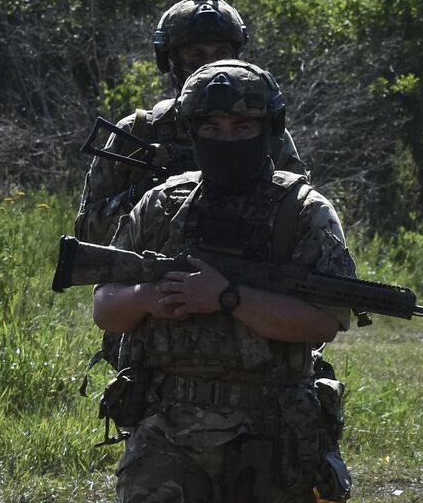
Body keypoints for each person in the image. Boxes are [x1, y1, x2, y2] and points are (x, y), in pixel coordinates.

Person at [92, 60, 356, 502]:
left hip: (271, 431)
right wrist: (151, 297)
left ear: (268, 130)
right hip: (166, 431)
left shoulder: (304, 211)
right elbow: (105, 307)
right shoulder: (161, 205)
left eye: (242, 126)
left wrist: (226, 297)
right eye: (212, 127)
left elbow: (322, 323)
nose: (227, 138)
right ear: (193, 132)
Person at [74, 0, 305, 244]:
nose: (210, 65)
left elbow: (300, 217)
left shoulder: (265, 133)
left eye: (222, 54)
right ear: (170, 62)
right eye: (196, 55)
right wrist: (142, 194)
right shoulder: (137, 132)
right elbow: (87, 235)